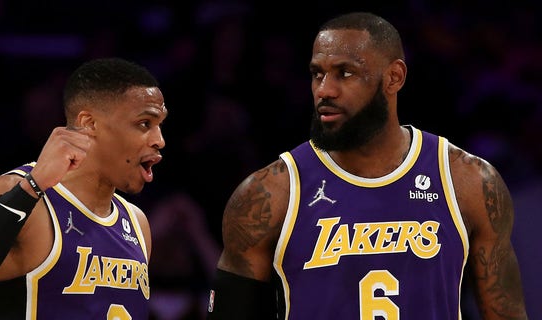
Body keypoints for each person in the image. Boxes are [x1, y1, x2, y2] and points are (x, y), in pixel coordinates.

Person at [206, 12, 529, 320]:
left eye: (345, 73)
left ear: (394, 77)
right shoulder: (269, 193)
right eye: (317, 73)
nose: (324, 90)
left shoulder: (468, 181)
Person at [0, 57, 168, 319]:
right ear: (89, 123)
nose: (159, 140)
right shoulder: (12, 191)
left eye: (160, 125)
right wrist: (32, 187)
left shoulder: (137, 223)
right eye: (144, 124)